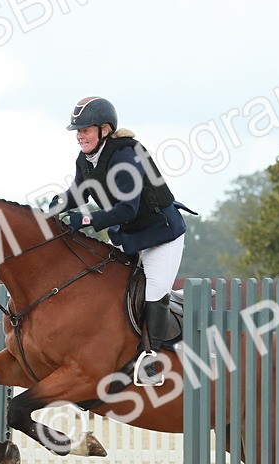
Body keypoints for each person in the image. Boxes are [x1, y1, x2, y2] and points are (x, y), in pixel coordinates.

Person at [48, 96, 190, 386]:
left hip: (162, 237)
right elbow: (78, 193)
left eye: (85, 129)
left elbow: (128, 209)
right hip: (131, 238)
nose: (80, 136)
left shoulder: (127, 156)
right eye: (78, 130)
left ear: (105, 129)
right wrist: (53, 208)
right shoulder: (86, 160)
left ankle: (151, 361)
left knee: (153, 291)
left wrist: (85, 220)